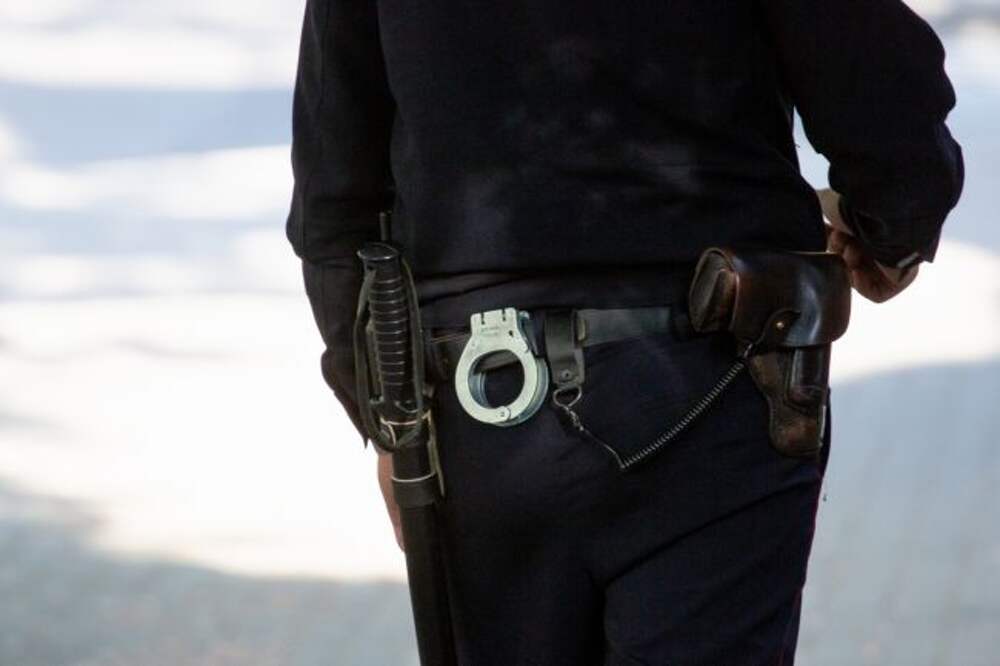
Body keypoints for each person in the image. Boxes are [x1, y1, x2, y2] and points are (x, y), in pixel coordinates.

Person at [286, 1, 963, 663]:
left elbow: (333, 200)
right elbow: (883, 88)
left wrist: (389, 415)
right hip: (714, 382)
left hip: (478, 404)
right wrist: (891, 230)